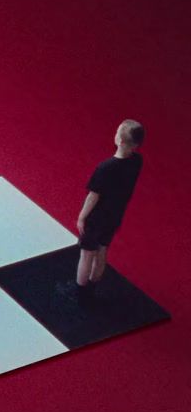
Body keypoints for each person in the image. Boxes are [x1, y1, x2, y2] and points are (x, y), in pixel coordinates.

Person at [59, 119, 145, 306]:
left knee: (87, 254)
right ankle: (92, 286)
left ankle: (80, 292)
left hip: (97, 217)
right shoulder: (137, 161)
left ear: (120, 141)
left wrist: (82, 216)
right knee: (102, 249)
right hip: (115, 215)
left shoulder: (106, 167)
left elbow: (93, 196)